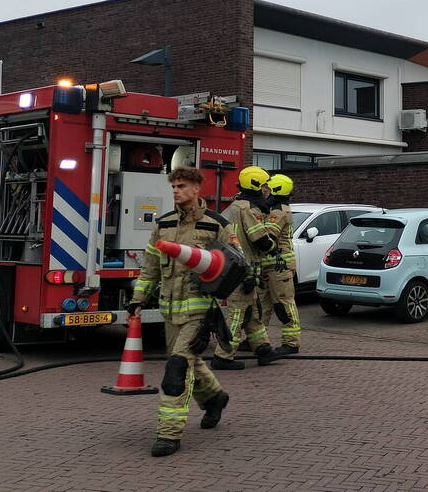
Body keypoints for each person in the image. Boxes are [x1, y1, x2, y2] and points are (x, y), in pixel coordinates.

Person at [127, 167, 235, 457]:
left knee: (176, 367)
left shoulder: (216, 225)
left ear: (198, 188)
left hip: (199, 312)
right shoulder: (163, 225)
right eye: (173, 186)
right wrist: (137, 298)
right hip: (169, 311)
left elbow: (235, 265)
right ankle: (215, 397)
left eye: (182, 185)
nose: (176, 190)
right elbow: (150, 268)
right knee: (188, 361)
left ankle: (168, 434)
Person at [211, 165, 278, 370]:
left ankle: (263, 349)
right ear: (256, 186)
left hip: (235, 269)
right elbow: (260, 240)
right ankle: (223, 356)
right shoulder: (249, 209)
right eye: (266, 186)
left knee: (252, 313)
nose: (268, 190)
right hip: (243, 271)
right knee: (237, 314)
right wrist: (274, 247)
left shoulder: (232, 207)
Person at [258, 173, 301, 354]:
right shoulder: (273, 209)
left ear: (275, 191)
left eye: (267, 189)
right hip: (269, 265)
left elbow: (266, 236)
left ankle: (291, 343)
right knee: (262, 305)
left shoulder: (278, 212)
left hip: (279, 265)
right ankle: (258, 339)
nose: (264, 192)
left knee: (284, 304)